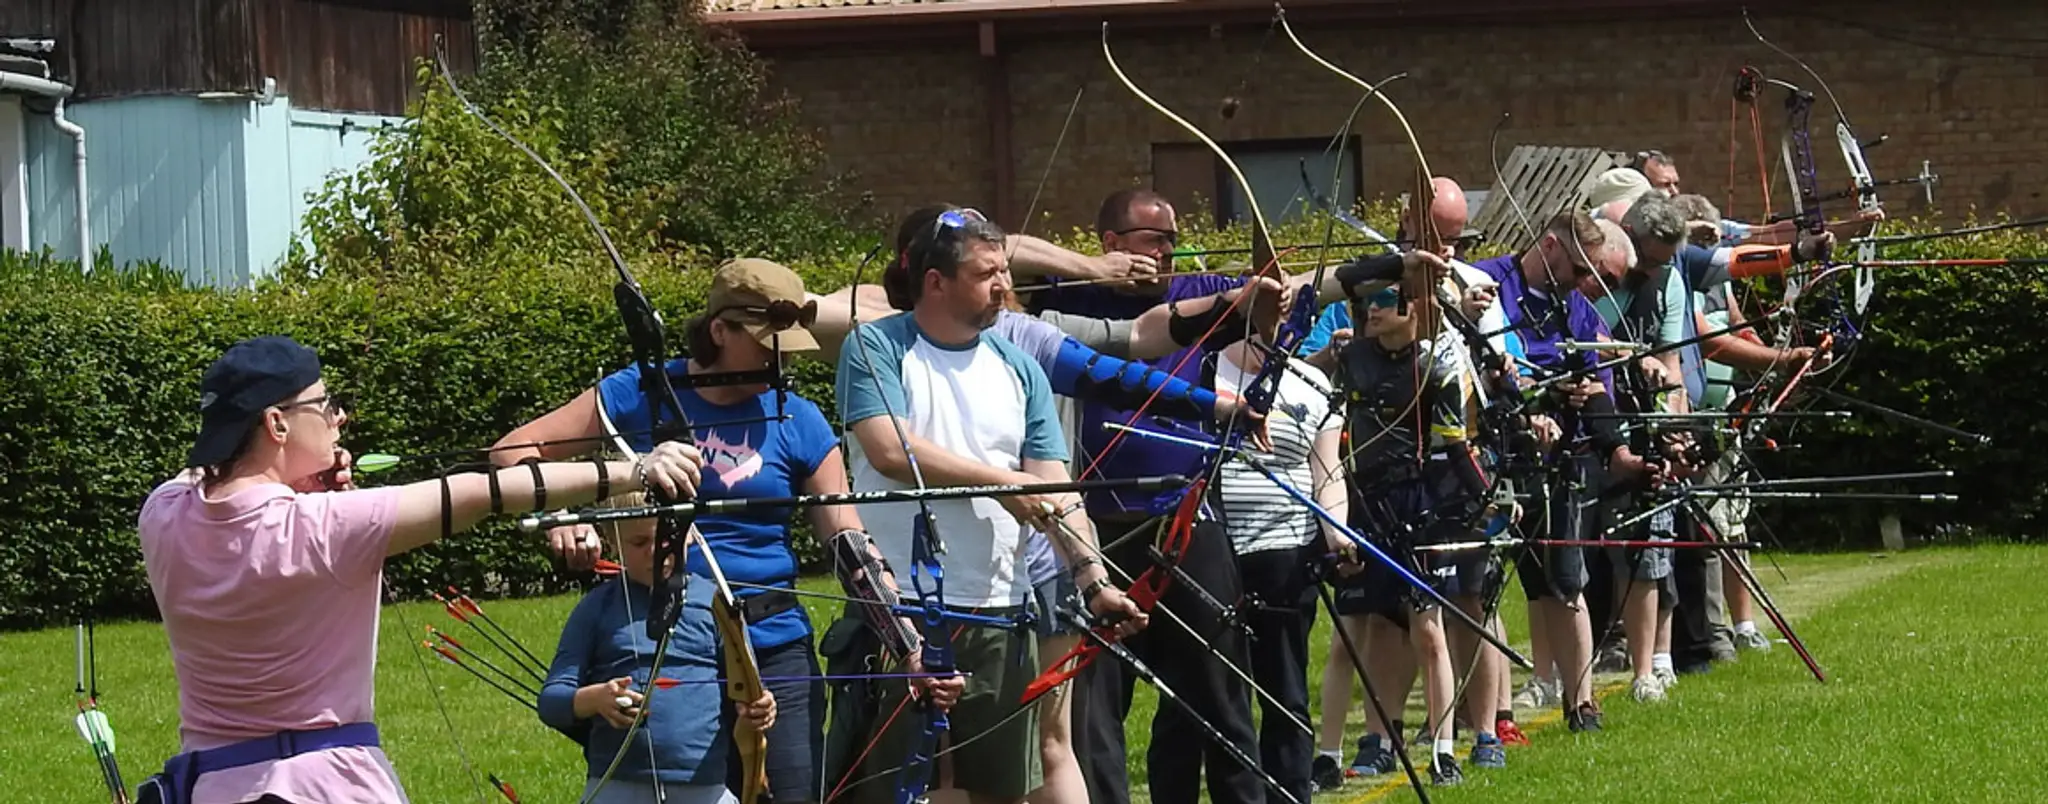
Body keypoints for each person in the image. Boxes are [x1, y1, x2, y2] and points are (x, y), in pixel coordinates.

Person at [137, 334, 705, 804]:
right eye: (323, 405)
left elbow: (215, 486)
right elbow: (490, 492)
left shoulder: (163, 514)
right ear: (277, 425)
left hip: (210, 784)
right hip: (322, 784)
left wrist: (297, 480)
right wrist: (635, 471)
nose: (338, 419)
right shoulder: (323, 528)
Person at [495, 258, 871, 804]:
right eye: (765, 344)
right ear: (719, 330)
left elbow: (848, 539)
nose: (778, 360)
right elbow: (514, 452)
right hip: (667, 641)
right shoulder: (642, 391)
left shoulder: (799, 417)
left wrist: (904, 637)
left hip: (771, 645)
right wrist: (564, 517)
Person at [836, 205, 1146, 804]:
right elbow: (891, 447)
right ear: (936, 281)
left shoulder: (1019, 368)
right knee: (888, 791)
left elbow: (1054, 490)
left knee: (1001, 791)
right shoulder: (875, 347)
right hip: (898, 610)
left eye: (1005, 270)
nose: (1004, 285)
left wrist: (1092, 580)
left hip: (1002, 612)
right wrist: (1001, 482)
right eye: (986, 274)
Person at [1029, 189, 1269, 804]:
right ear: (1111, 243)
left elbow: (1270, 292)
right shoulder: (1058, 302)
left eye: (1172, 238)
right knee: (1094, 705)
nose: (1167, 250)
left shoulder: (1194, 291)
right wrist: (1091, 270)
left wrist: (1276, 294)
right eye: (1151, 239)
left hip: (1184, 519)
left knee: (1220, 687)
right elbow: (997, 251)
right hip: (1096, 527)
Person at [1471, 211, 1658, 733]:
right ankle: (1493, 715)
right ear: (1549, 246)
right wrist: (1533, 399)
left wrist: (1620, 454)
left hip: (1563, 461)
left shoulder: (1575, 307)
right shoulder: (1488, 284)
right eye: (1579, 270)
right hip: (1493, 451)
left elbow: (1597, 380)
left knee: (1565, 581)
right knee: (1482, 584)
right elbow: (1476, 365)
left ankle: (1582, 704)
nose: (1583, 286)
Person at [541, 488, 778, 804]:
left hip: (704, 787)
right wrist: (595, 699)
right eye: (639, 543)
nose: (655, 551)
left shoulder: (717, 605)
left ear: (688, 534)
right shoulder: (596, 609)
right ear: (613, 543)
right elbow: (551, 702)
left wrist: (759, 709)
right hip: (617, 785)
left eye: (667, 537)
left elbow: (747, 691)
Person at [1213, 314, 1344, 803]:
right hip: (1213, 552)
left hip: (1286, 554)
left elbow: (1328, 473)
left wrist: (1338, 537)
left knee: (1285, 691)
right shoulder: (1206, 374)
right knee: (1220, 697)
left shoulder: (1312, 385)